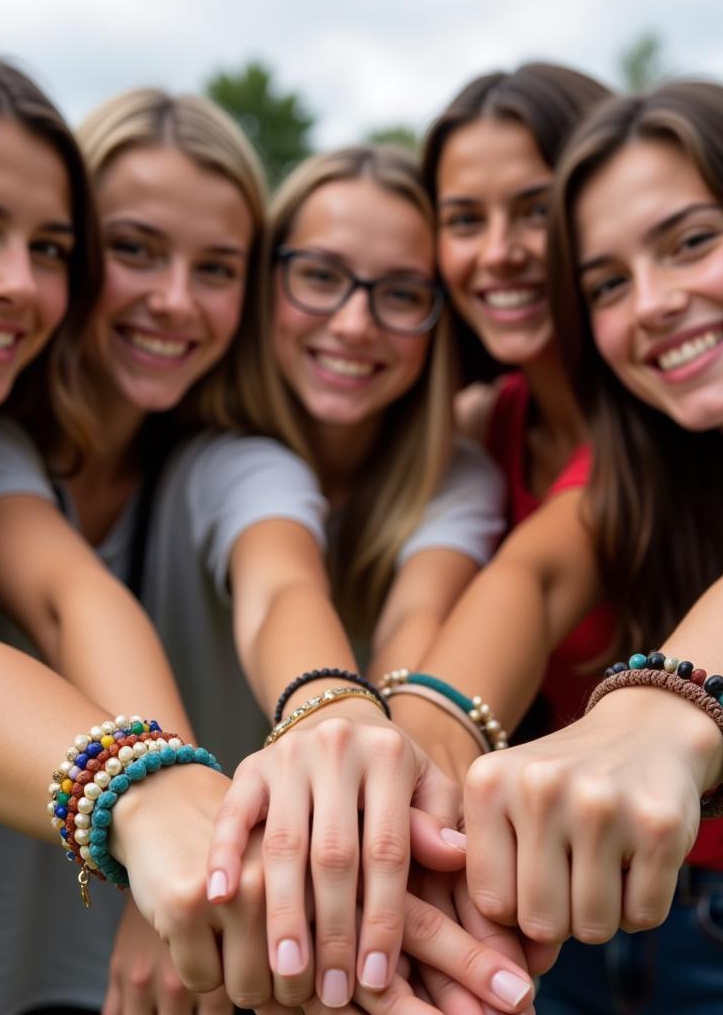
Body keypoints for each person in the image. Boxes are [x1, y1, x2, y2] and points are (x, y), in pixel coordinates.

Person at [0, 94, 531, 1015]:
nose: (174, 298)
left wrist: (334, 710)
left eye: (215, 267)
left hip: (154, 952)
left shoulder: (233, 460)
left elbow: (280, 587)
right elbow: (73, 596)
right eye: (134, 249)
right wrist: (171, 813)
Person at [382, 65, 723, 1011]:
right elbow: (522, 581)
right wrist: (401, 766)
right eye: (612, 280)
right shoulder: (535, 432)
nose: (658, 301)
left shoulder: (712, 439)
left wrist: (649, 724)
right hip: (574, 903)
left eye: (691, 243)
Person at [0, 41, 239, 1012]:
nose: (18, 282)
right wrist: (151, 812)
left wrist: (180, 791)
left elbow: (73, 601)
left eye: (50, 248)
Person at [204, 145, 521, 1010]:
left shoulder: (457, 478)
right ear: (266, 279)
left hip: (323, 909)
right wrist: (330, 711)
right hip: (198, 884)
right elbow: (280, 591)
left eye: (401, 294)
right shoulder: (208, 454)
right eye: (319, 276)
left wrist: (387, 765)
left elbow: (417, 631)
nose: (353, 323)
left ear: (438, 316)